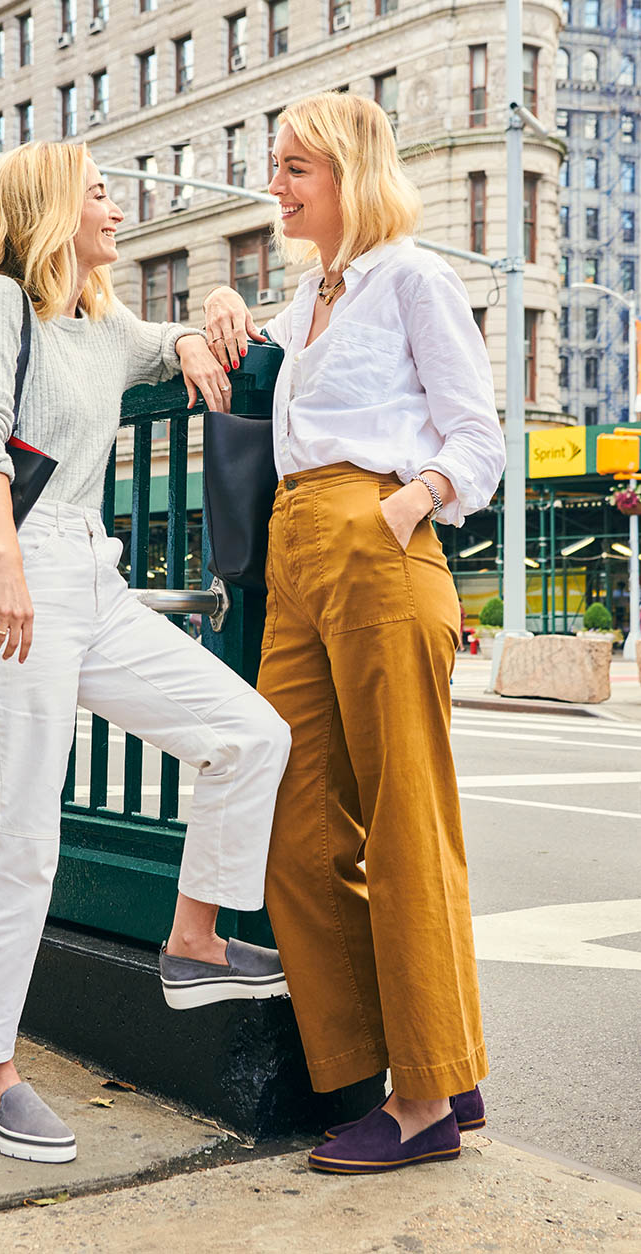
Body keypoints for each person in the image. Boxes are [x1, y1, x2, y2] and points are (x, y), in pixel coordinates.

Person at [0, 141, 292, 1164]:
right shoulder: (2, 302)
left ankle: (191, 941)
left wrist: (206, 320)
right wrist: (3, 561)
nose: (118, 207)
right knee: (19, 834)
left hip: (94, 574)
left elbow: (174, 337)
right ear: (52, 206)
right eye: (99, 192)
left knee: (246, 733)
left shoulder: (100, 316)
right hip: (24, 573)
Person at [203, 91, 506, 1175]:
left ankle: (426, 1099)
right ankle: (407, 1068)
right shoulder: (313, 295)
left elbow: (481, 436)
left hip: (378, 545)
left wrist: (411, 500)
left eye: (294, 168)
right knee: (292, 825)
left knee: (406, 821)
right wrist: (222, 311)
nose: (275, 185)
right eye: (276, 164)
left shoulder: (413, 277)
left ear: (346, 173)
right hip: (295, 560)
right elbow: (237, 351)